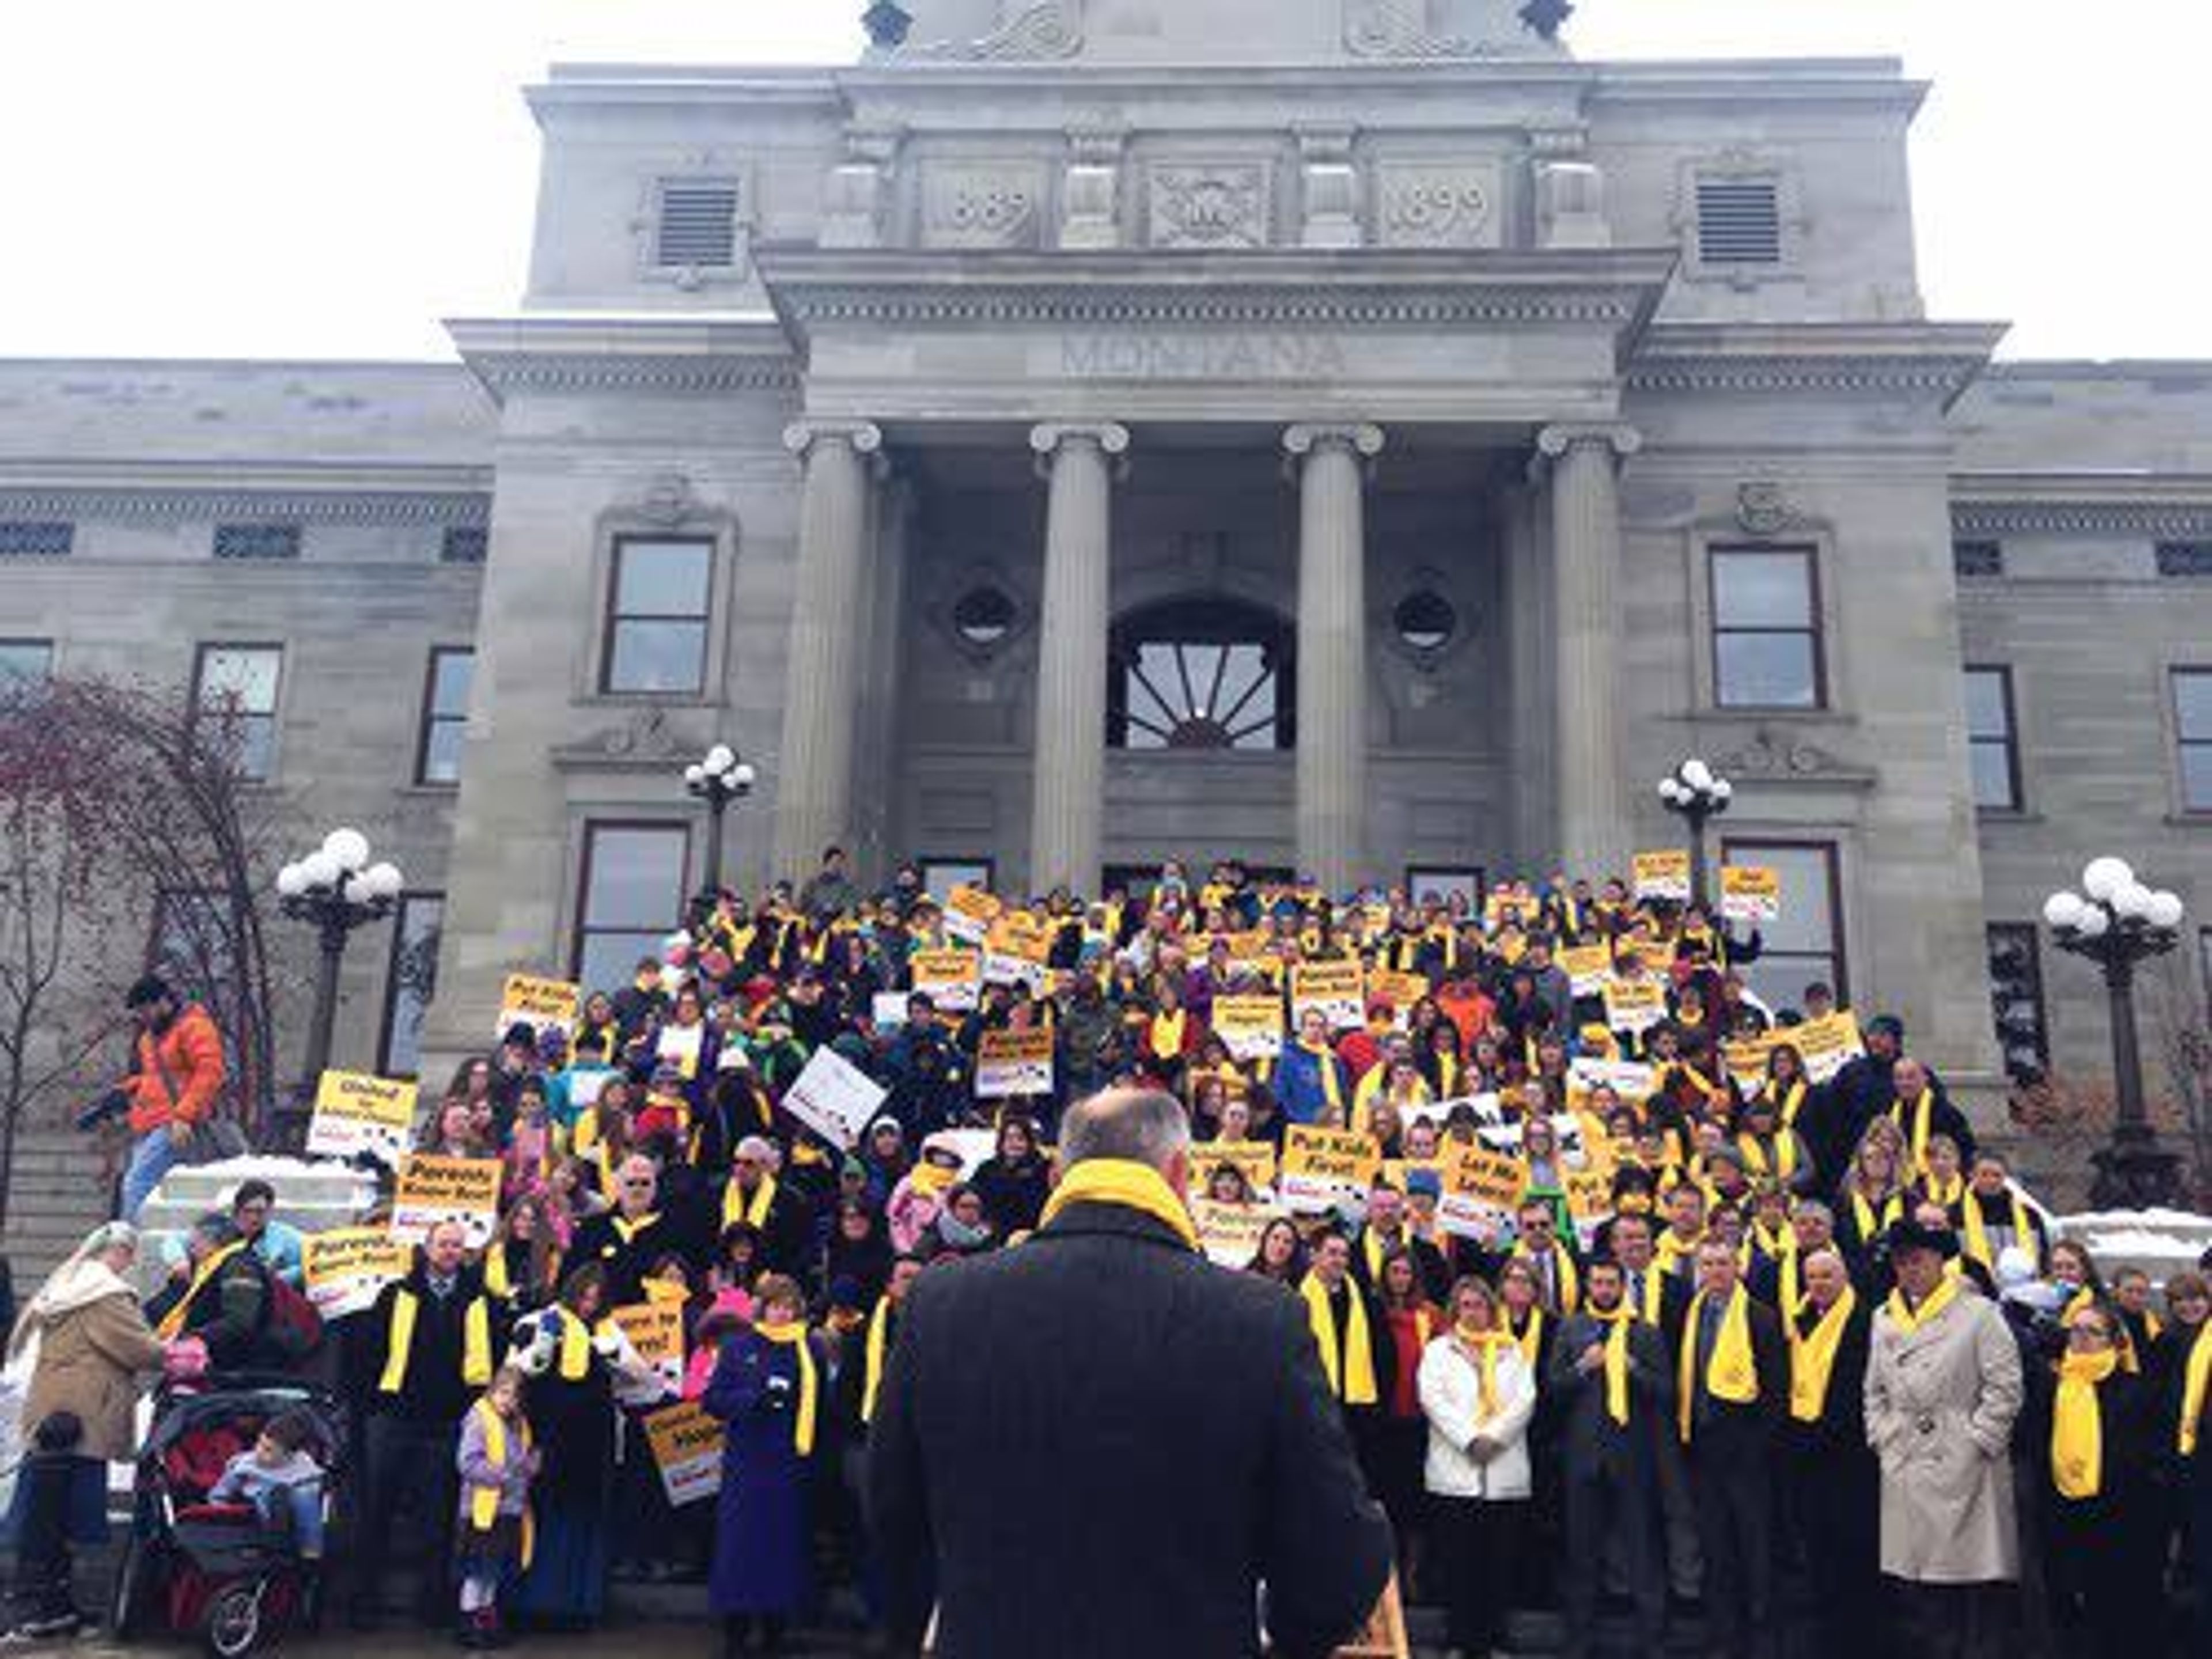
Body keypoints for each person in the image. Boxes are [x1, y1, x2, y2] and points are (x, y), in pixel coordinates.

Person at [869, 1086, 1392, 1657]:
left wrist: (916, 1629)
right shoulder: (1262, 1320)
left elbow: (892, 1510)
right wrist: (1287, 1640)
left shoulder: (943, 1303)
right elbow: (1339, 1557)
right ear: (1179, 1173)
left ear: (1058, 1176)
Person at [1864, 1217, 2024, 1659]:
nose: (1909, 1271)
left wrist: (1978, 1441)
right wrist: (1882, 1435)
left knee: (1970, 1586)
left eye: (1918, 1261)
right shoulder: (1884, 1317)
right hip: (1906, 1457)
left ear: (1940, 1261)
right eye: (1901, 1263)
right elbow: (1873, 1389)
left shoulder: (1979, 1314)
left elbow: (2005, 1388)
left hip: (1961, 1459)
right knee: (1920, 1590)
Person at [3, 1222, 165, 1642]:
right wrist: (177, 1352)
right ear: (119, 1252)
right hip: (85, 1418)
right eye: (129, 1255)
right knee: (68, 1518)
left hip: (51, 1411)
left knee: (42, 1513)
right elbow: (138, 1347)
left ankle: (43, 1609)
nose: (130, 1264)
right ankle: (45, 1612)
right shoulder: (105, 1294)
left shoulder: (67, 1280)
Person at [350, 1217, 497, 1630]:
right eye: (442, 1244)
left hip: (447, 1423)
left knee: (438, 1520)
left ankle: (433, 1606)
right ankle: (364, 1603)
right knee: (376, 1512)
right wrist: (374, 1403)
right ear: (427, 1248)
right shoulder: (395, 1294)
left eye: (457, 1245)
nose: (450, 1251)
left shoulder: (481, 1299)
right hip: (395, 1418)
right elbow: (369, 1351)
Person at [1548, 1256, 1670, 1659]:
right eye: (1597, 1283)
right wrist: (1582, 1367)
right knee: (1581, 1555)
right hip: (1583, 1461)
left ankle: (1653, 1642)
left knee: (1642, 1554)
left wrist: (1633, 1369)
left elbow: (1666, 1392)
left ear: (1623, 1287)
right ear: (1588, 1286)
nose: (1604, 1290)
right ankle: (1578, 1643)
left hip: (1633, 1460)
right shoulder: (1571, 1328)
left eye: (1610, 1283)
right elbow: (1552, 1389)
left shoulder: (1645, 1332)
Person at [1676, 1237, 1787, 1659]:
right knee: (1717, 1550)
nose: (1715, 1271)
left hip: (1747, 1455)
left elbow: (1775, 1393)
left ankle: (1763, 1640)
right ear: (1699, 1269)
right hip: (1704, 1451)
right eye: (1707, 1264)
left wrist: (1756, 1447)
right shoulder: (1693, 1312)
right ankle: (1724, 1640)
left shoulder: (1760, 1317)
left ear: (1737, 1267)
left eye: (1723, 1264)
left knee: (1756, 1550)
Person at [1418, 1274, 1536, 1659]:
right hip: (1456, 1472)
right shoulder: (1438, 1350)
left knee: (1499, 1563)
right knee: (1458, 1563)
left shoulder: (1511, 1350)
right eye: (1466, 1305)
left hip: (1503, 1471)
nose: (1473, 1312)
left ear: (1491, 1308)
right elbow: (1432, 1400)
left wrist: (1494, 1439)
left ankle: (1494, 1640)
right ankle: (1459, 1640)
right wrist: (1470, 1439)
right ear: (1455, 1309)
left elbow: (1525, 1400)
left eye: (1480, 1304)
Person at [705, 1271, 822, 1655]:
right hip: (747, 1463)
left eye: (789, 1307)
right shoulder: (739, 1347)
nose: (783, 1315)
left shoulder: (810, 1349)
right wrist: (752, 1399)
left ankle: (776, 1630)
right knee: (741, 1548)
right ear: (762, 1308)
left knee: (783, 1548)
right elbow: (713, 1401)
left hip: (790, 1464)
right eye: (776, 1306)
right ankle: (735, 1632)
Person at [2042, 1301, 2158, 1656]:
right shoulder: (2055, 1385)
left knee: (2117, 1609)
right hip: (2065, 1510)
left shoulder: (2136, 1389)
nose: (2082, 1338)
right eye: (2076, 1330)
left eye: (2093, 1331)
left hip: (2120, 1516)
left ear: (2114, 1341)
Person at [1786, 1247, 1877, 1659]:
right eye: (1812, 1277)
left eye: (1827, 1276)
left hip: (1851, 1457)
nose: (1819, 1284)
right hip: (1809, 1456)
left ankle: (1859, 1640)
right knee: (1820, 1552)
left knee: (1855, 1556)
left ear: (1844, 1279)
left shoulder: (1864, 1320)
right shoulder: (1801, 1318)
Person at [115, 974, 227, 1221]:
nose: (142, 1017)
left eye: (145, 1010)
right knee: (141, 1185)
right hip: (151, 1123)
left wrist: (183, 1116)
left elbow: (211, 1072)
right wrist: (127, 1089)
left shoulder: (194, 1026)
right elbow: (156, 1078)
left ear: (163, 1001)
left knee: (138, 1183)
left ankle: (129, 1246)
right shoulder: (149, 1039)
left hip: (175, 1124)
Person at [454, 1364, 540, 1650]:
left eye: (514, 1396)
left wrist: (531, 1465)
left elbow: (522, 1461)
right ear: (491, 1392)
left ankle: (487, 1621)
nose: (508, 1400)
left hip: (510, 1510)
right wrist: (501, 1475)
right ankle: (467, 1623)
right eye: (503, 1393)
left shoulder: (519, 1424)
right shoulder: (478, 1419)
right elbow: (467, 1463)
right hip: (483, 1512)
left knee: (493, 1572)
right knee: (477, 1572)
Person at [207, 1408, 326, 1558]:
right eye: (259, 1443)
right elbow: (222, 1490)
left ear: (290, 1455)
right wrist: (220, 1506)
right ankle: (276, 1533)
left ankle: (311, 1551)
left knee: (305, 1499)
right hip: (262, 1503)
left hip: (297, 1498)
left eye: (268, 1450)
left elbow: (315, 1481)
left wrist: (311, 1491)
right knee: (267, 1495)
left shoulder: (302, 1463)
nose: (259, 1452)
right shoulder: (246, 1465)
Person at [230, 1177, 306, 1287]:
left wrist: (274, 1279)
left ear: (270, 1211)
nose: (253, 1218)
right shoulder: (223, 1235)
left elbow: (312, 1264)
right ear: (237, 1211)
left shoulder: (287, 1237)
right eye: (248, 1211)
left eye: (260, 1212)